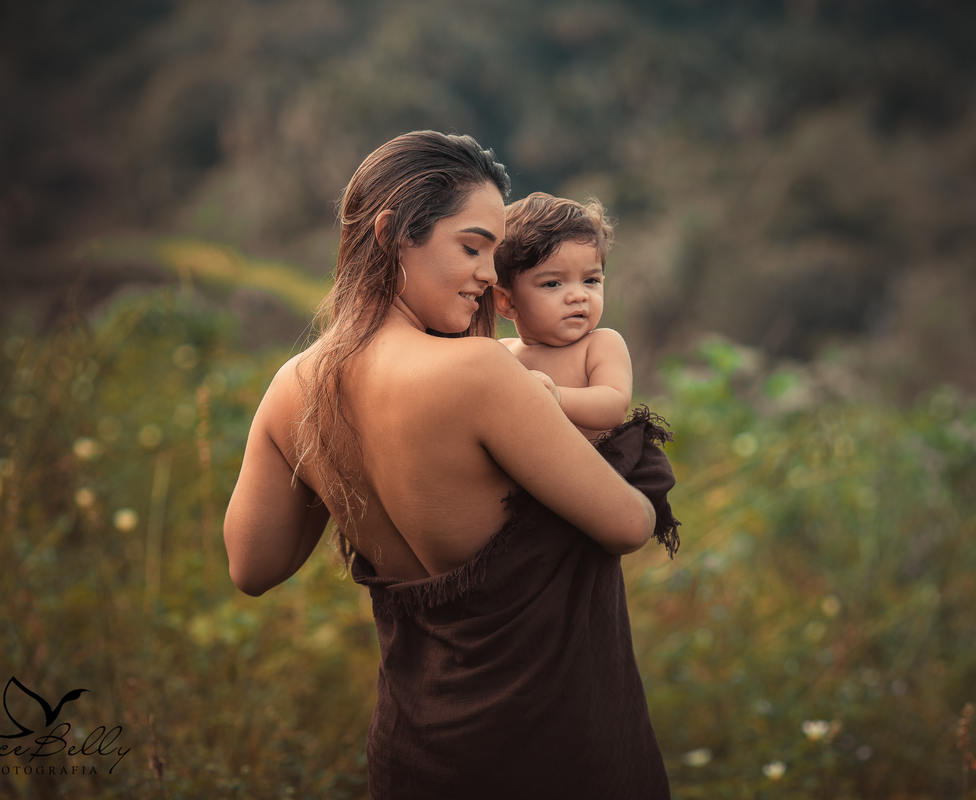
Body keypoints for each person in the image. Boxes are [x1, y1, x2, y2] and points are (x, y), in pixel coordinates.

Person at [223, 131, 678, 800]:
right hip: (550, 749)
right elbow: (630, 524)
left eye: (495, 255)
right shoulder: (481, 372)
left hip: (416, 757)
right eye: (472, 248)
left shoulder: (294, 388)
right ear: (391, 233)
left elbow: (253, 567)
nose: (491, 276)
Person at [493, 192, 631, 439]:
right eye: (553, 284)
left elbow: (615, 405)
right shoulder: (502, 354)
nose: (579, 295)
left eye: (591, 280)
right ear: (506, 301)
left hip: (600, 458)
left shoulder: (600, 344)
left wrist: (557, 396)